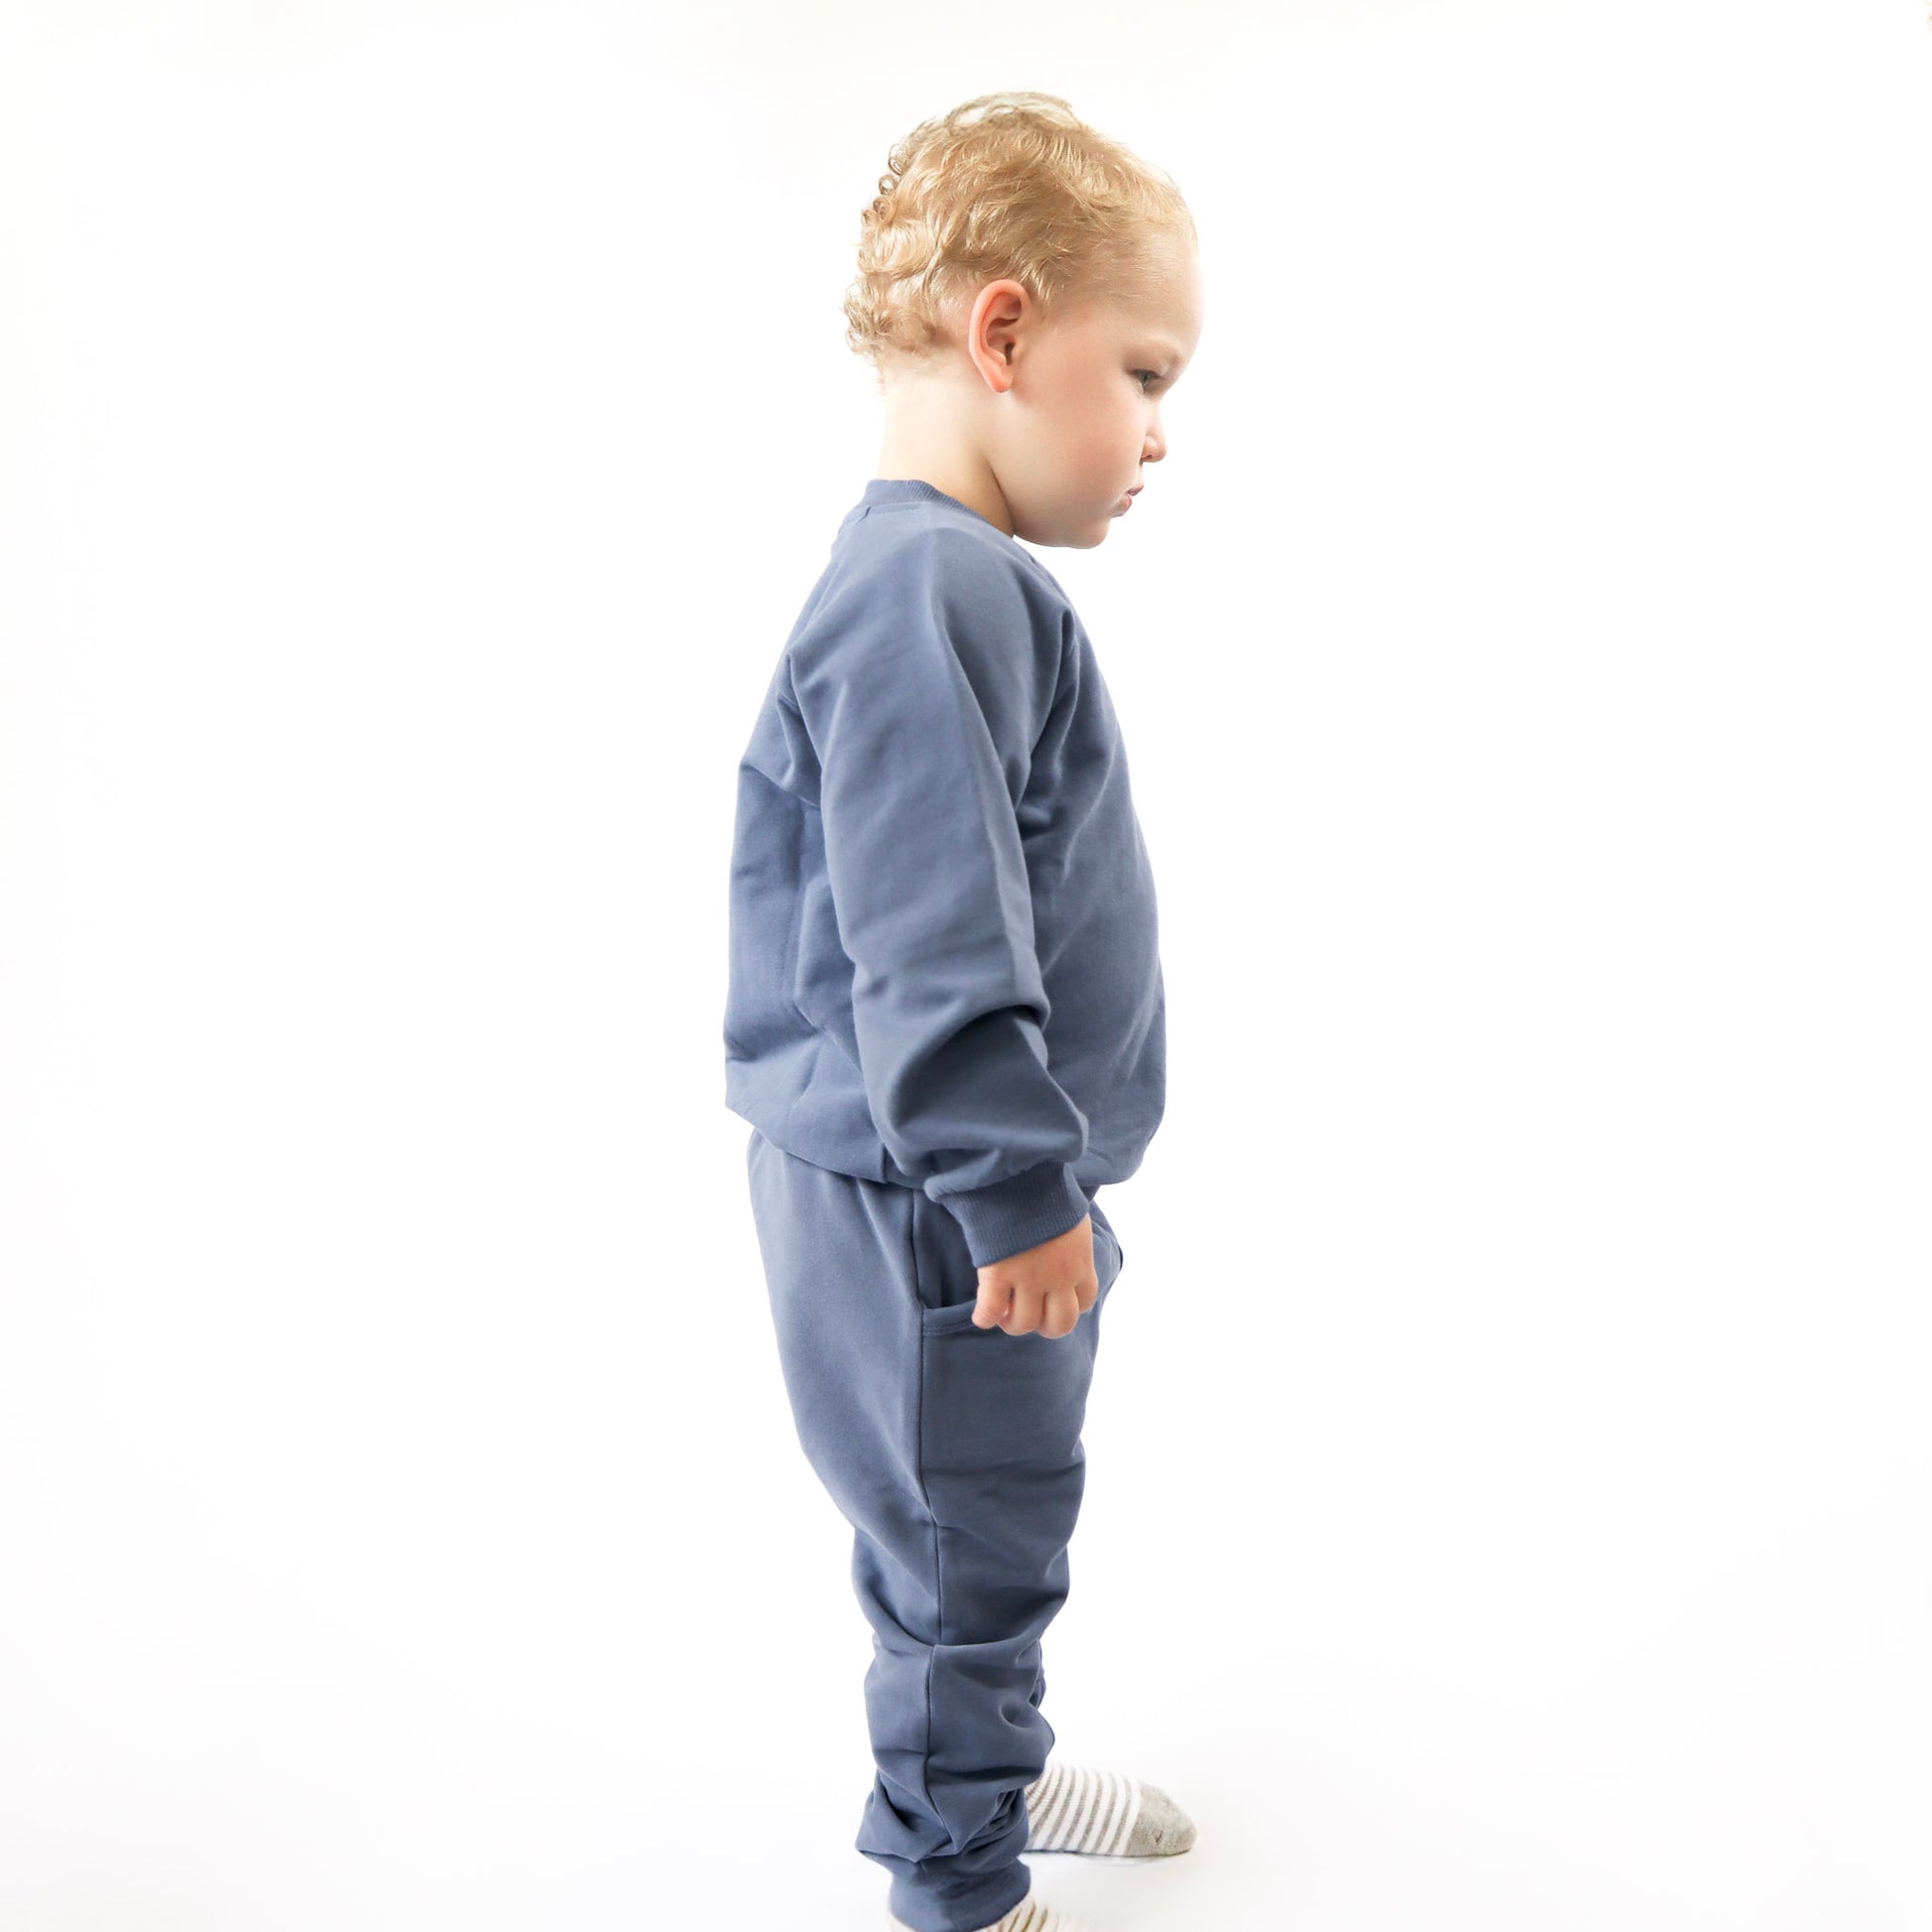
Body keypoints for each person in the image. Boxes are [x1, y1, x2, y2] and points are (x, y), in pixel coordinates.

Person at [722, 90, 1206, 1932]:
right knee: (961, 1550)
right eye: (1144, 371)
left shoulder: (944, 585)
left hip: (943, 1190)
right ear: (1003, 333)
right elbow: (926, 933)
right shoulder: (924, 591)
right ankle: (960, 1878)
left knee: (968, 1534)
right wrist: (1014, 1190)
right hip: (943, 1209)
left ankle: (980, 1755)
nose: (1162, 431)